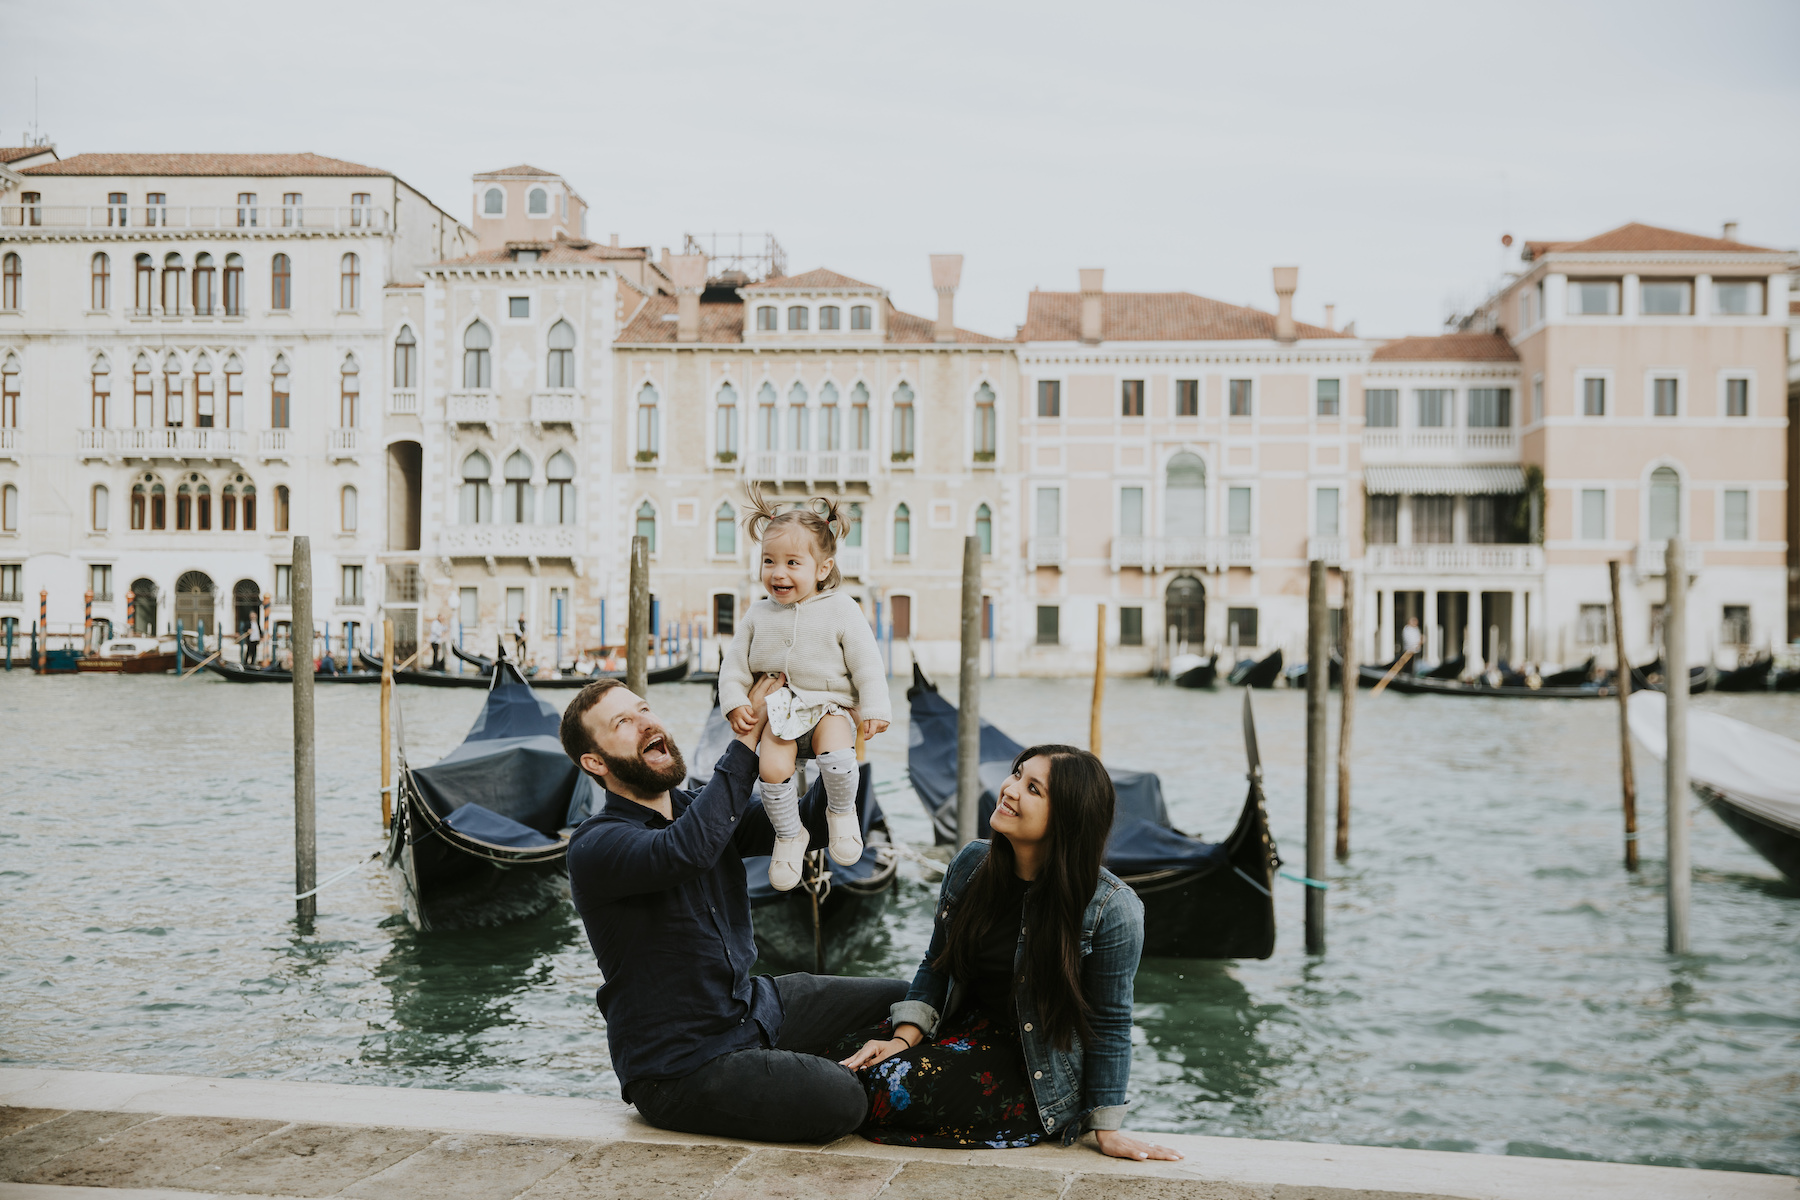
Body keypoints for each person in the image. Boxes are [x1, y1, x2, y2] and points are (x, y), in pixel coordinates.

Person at [561, 674, 909, 1143]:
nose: (644, 723)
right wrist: (745, 741)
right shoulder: (595, 844)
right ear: (594, 761)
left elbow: (810, 824)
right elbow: (686, 851)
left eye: (644, 709)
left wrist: (834, 749)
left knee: (904, 999)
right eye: (622, 722)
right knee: (841, 1098)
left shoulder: (698, 809)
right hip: (681, 1064)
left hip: (752, 1008)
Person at [839, 745, 1181, 1162]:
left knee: (879, 1084)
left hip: (1033, 1074)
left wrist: (1105, 1126)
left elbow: (1110, 1021)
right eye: (1017, 774)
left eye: (1033, 788)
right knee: (848, 1054)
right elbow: (936, 963)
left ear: (1067, 819)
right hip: (956, 1028)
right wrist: (901, 1038)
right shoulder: (971, 864)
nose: (1011, 789)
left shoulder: (1112, 908)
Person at [718, 484, 889, 892]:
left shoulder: (842, 608)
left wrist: (875, 706)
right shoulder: (757, 614)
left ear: (822, 568)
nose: (778, 572)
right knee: (772, 768)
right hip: (780, 715)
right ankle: (789, 835)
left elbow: (866, 662)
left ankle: (841, 812)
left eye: (793, 562)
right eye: (769, 561)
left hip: (828, 706)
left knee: (835, 746)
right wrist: (734, 703)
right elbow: (734, 667)